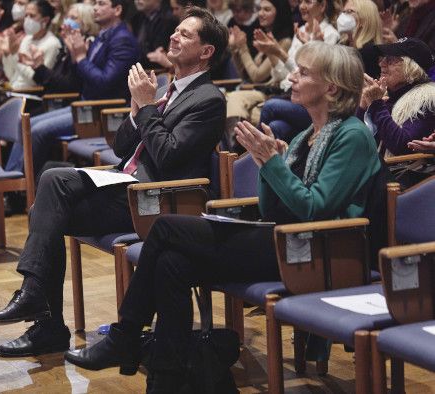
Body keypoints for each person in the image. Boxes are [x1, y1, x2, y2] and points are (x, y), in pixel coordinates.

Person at [64, 41, 382, 392]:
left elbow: (313, 209)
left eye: (303, 72)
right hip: (287, 238)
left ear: (332, 87)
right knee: (172, 263)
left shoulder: (353, 136)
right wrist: (267, 166)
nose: (291, 77)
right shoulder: (307, 135)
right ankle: (167, 379)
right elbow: (272, 209)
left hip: (322, 251)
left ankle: (125, 335)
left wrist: (273, 164)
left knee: (168, 227)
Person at [0, 7, 228, 360]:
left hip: (155, 201)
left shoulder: (208, 99)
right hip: (125, 184)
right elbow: (121, 147)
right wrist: (136, 109)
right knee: (47, 204)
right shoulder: (163, 87)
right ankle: (43, 315)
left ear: (206, 51)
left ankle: (43, 315)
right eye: (175, 31)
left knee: (50, 193)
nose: (173, 37)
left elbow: (169, 157)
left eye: (185, 35)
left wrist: (146, 108)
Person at [0, 0, 139, 216]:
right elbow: (77, 82)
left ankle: (11, 194)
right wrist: (73, 56)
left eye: (101, 4)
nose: (95, 8)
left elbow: (104, 83)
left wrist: (80, 57)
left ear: (117, 10)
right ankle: (11, 187)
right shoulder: (103, 35)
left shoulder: (123, 41)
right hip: (85, 105)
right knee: (28, 123)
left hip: (103, 112)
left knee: (36, 130)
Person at [255, 0, 340, 141]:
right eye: (300, 2)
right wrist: (271, 52)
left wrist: (280, 53)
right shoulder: (300, 30)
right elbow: (284, 76)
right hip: (290, 94)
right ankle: (259, 159)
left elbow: (314, 77)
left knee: (269, 106)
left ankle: (244, 156)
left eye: (308, 2)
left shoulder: (330, 34)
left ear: (322, 6)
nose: (302, 6)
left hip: (312, 102)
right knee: (276, 127)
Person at [358, 37, 435, 156]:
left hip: (403, 173)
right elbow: (356, 141)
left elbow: (403, 145)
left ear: (411, 67)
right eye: (383, 58)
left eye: (390, 60)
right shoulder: (388, 98)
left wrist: (377, 105)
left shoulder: (427, 98)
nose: (381, 63)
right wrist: (363, 107)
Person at [224, 0, 292, 133]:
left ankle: (235, 148)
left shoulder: (284, 42)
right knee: (227, 99)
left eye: (267, 10)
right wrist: (234, 49)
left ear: (279, 13)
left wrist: (243, 48)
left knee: (235, 99)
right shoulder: (265, 37)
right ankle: (233, 148)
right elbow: (244, 75)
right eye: (260, 9)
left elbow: (257, 76)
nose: (261, 13)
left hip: (273, 92)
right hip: (261, 90)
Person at [1, 0, 61, 89]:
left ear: (45, 20)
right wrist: (9, 54)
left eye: (32, 16)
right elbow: (11, 74)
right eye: (26, 15)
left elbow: (37, 80)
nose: (27, 19)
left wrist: (18, 59)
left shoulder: (52, 43)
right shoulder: (27, 39)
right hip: (14, 89)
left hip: (31, 95)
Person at [337, 0, 383, 79]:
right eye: (343, 12)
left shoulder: (370, 51)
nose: (343, 16)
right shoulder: (341, 44)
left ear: (364, 18)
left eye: (349, 11)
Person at [130, 0, 177, 69]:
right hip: (139, 68)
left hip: (160, 71)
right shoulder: (136, 18)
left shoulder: (170, 19)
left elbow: (158, 51)